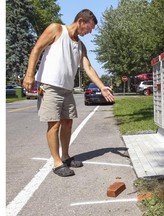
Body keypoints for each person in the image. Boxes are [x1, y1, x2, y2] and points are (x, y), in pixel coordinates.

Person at [23, 9, 114, 177]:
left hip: (66, 89)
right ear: (80, 21)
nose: (89, 32)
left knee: (68, 123)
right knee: (54, 123)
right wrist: (29, 75)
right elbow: (37, 49)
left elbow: (88, 67)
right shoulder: (56, 30)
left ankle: (65, 156)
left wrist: (102, 86)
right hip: (50, 86)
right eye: (89, 28)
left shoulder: (80, 45)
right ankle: (57, 163)